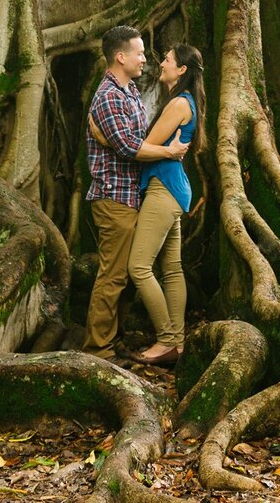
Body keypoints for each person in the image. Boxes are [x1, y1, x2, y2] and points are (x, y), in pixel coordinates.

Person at [83, 23, 180, 358]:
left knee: (126, 273)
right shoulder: (109, 96)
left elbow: (137, 141)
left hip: (130, 197)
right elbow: (128, 147)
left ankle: (113, 338)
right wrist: (169, 152)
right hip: (113, 199)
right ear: (120, 56)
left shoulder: (131, 92)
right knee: (113, 275)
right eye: (138, 53)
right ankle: (98, 348)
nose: (144, 59)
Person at [126, 43, 205, 366]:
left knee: (139, 267)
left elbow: (145, 147)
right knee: (171, 269)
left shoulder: (178, 105)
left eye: (168, 60)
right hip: (174, 189)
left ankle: (167, 341)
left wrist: (106, 138)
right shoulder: (183, 102)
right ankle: (179, 342)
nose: (162, 63)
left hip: (163, 190)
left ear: (182, 70)